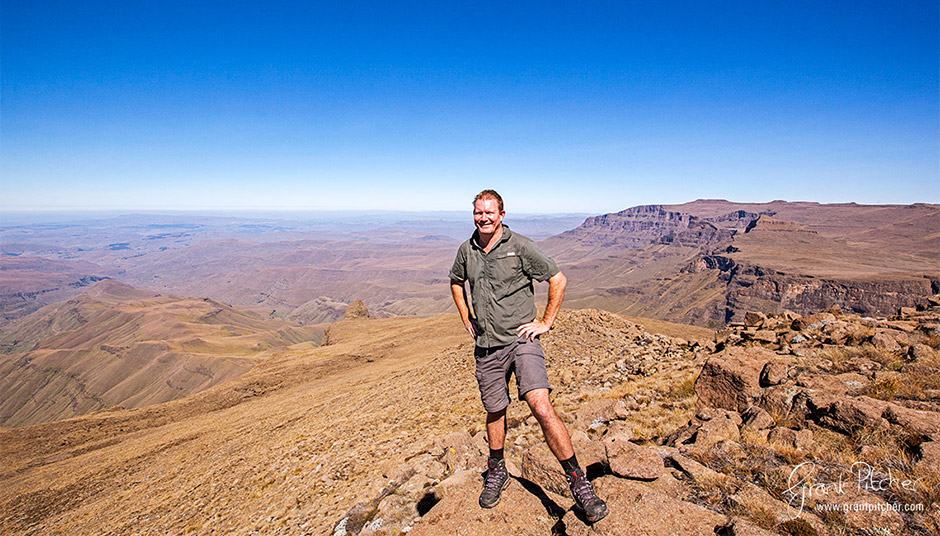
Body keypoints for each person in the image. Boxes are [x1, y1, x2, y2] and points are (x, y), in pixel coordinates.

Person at [448, 189, 609, 523]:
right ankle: (497, 470)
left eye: (489, 212)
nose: (483, 218)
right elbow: (455, 281)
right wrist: (466, 315)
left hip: (521, 340)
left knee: (540, 404)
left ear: (502, 214)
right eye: (478, 212)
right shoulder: (468, 250)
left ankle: (579, 483)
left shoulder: (520, 246)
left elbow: (558, 279)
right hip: (487, 345)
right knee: (495, 409)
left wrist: (546, 322)